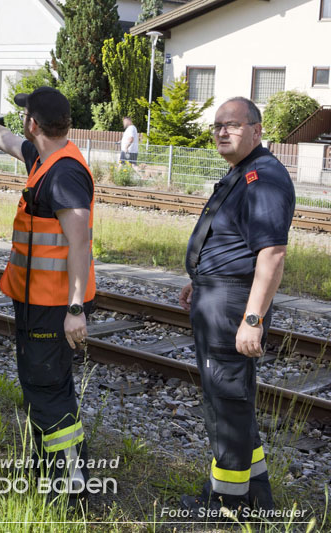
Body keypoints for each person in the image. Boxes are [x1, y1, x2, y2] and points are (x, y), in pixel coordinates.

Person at [0, 86, 95, 504]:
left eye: (25, 117)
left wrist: (75, 309)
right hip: (38, 299)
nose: (21, 124)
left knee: (49, 389)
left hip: (56, 304)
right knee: (40, 384)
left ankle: (71, 488)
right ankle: (50, 471)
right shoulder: (45, 158)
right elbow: (6, 140)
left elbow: (80, 243)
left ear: (33, 122)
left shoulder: (65, 173)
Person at [178, 97, 295, 517]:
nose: (222, 132)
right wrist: (200, 280)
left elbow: (272, 255)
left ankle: (225, 504)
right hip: (217, 297)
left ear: (257, 130)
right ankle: (256, 494)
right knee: (233, 398)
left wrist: (252, 319)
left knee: (225, 401)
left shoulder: (262, 178)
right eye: (217, 126)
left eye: (232, 125)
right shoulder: (243, 172)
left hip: (231, 306)